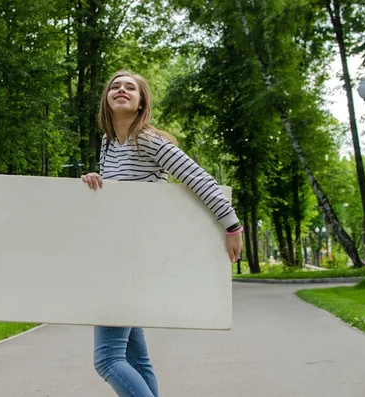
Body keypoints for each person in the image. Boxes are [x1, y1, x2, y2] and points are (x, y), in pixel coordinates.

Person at [80, 70, 244, 397]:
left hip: (134, 260)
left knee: (107, 360)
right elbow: (116, 198)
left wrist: (232, 225)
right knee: (136, 360)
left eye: (131, 87)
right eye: (115, 86)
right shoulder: (108, 145)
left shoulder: (150, 141)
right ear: (106, 100)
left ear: (141, 103)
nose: (122, 90)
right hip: (116, 253)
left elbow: (199, 179)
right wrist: (94, 179)